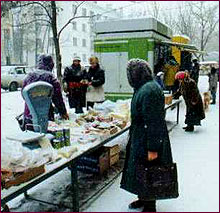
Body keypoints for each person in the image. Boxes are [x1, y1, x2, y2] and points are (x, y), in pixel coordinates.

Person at [120, 59, 173, 212]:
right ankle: (143, 197)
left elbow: (153, 122)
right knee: (140, 169)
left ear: (134, 75)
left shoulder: (149, 90)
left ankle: (150, 205)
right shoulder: (144, 88)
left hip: (147, 138)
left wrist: (153, 148)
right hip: (141, 136)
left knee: (150, 171)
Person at [20, 54, 69, 131]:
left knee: (31, 139)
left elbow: (24, 94)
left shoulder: (29, 76)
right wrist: (63, 112)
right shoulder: (51, 78)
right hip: (45, 116)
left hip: (29, 115)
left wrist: (34, 102)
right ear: (51, 64)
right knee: (45, 139)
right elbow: (58, 98)